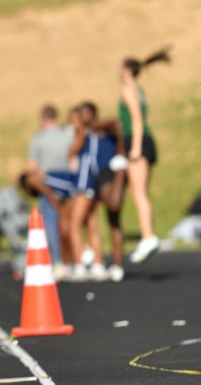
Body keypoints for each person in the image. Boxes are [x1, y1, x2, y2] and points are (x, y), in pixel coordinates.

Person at [119, 47, 170, 263]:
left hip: (137, 142)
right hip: (145, 140)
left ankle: (148, 237)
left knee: (138, 193)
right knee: (141, 193)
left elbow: (137, 120)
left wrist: (135, 148)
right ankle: (147, 236)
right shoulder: (139, 90)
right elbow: (146, 118)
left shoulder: (128, 90)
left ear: (126, 70)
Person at [67, 102, 127, 282]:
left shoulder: (97, 131)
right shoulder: (87, 134)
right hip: (93, 181)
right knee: (91, 223)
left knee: (74, 224)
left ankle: (80, 265)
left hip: (87, 182)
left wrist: (82, 129)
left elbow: (73, 151)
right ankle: (98, 264)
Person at [23, 104, 75, 277]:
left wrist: (21, 175)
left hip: (48, 185)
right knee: (69, 223)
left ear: (43, 119)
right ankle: (72, 260)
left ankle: (58, 261)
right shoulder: (67, 135)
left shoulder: (39, 138)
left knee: (52, 223)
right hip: (69, 183)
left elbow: (32, 166)